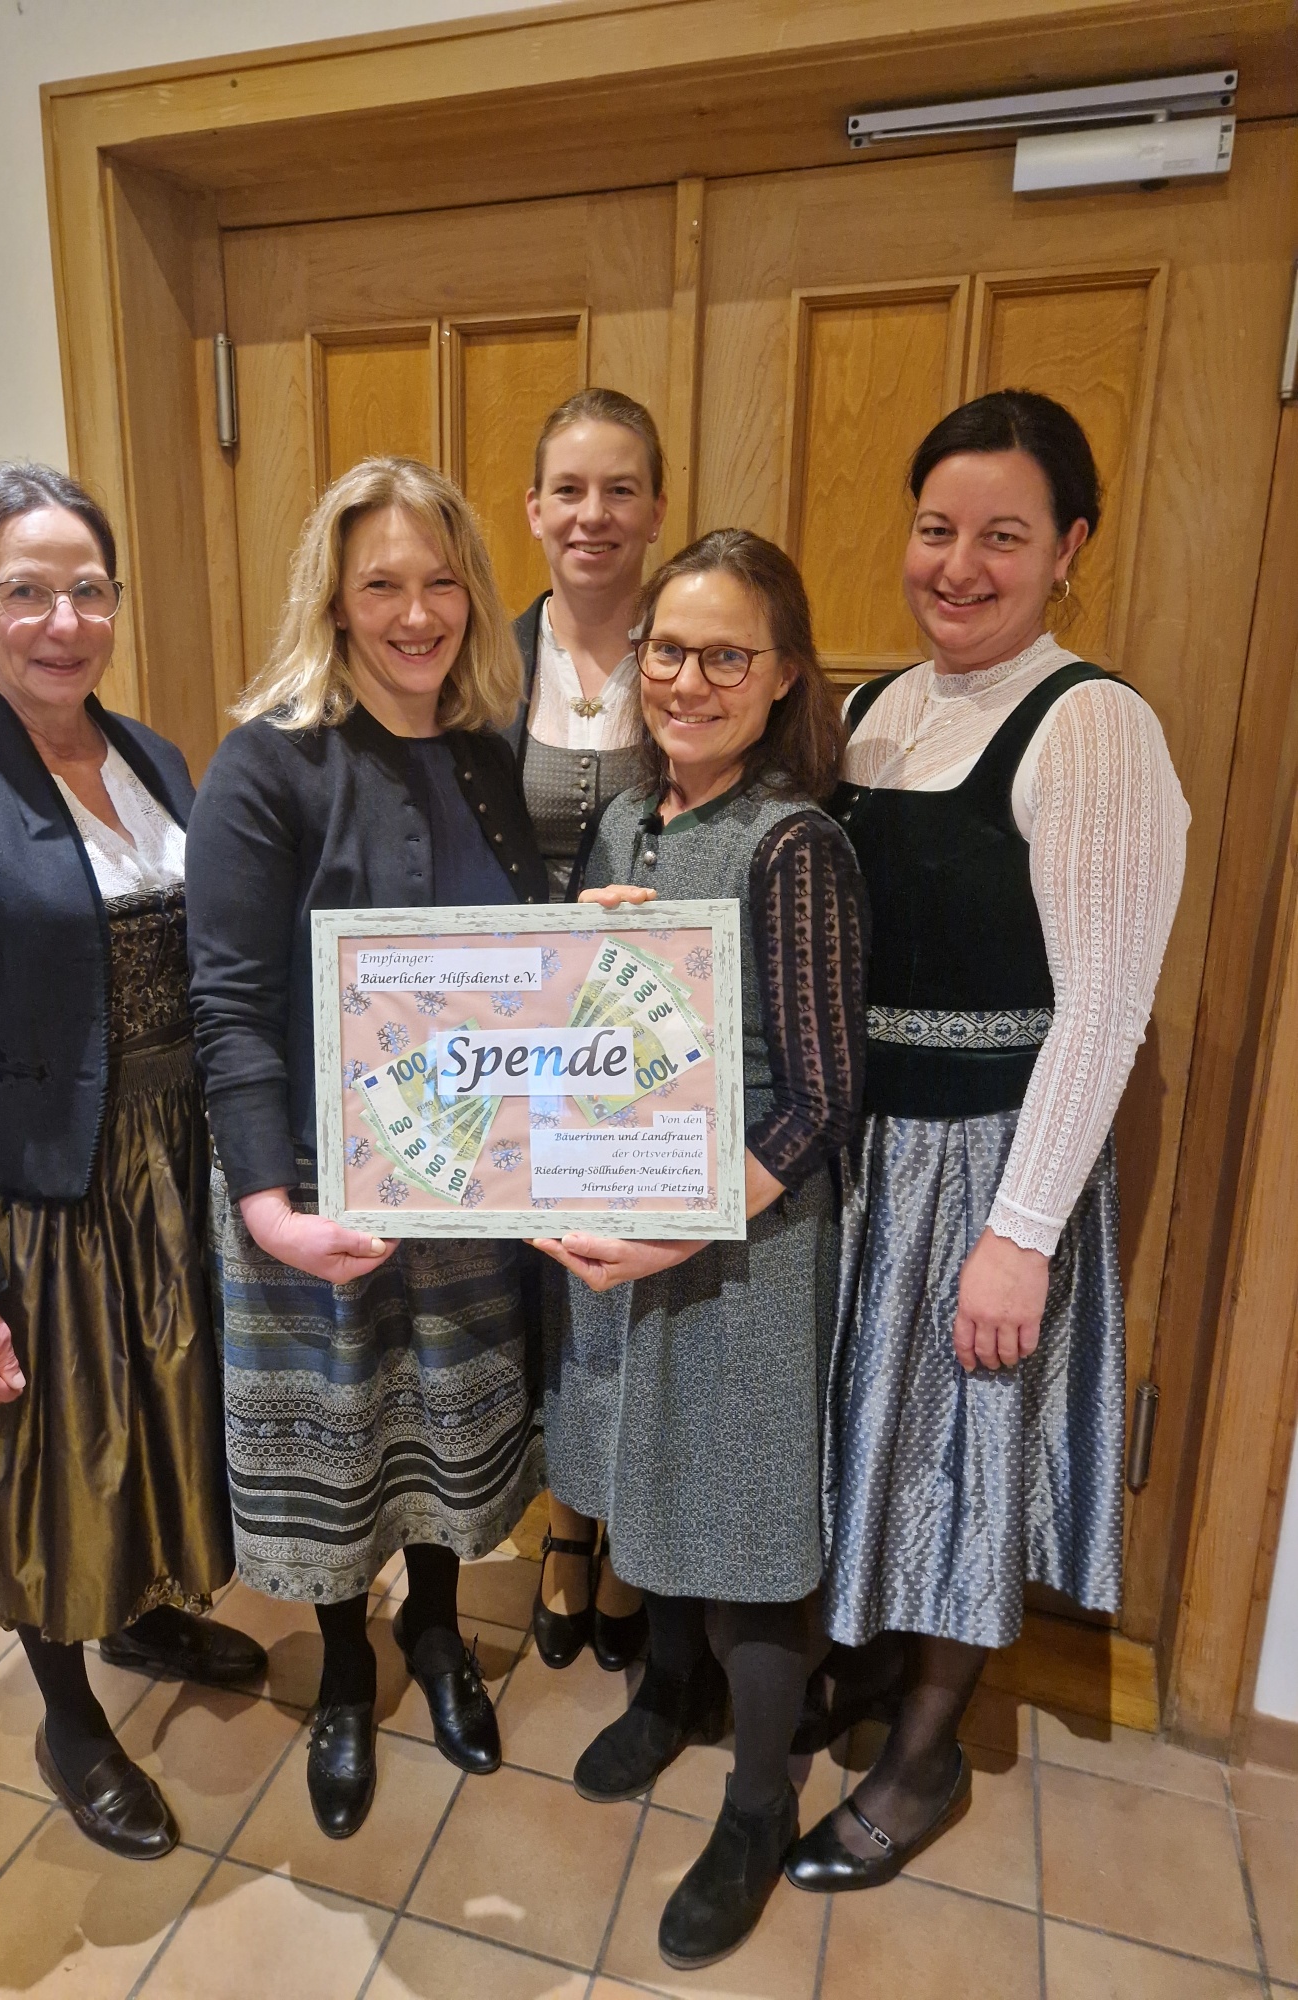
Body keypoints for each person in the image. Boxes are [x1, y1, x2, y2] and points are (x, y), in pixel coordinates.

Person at [785, 390, 1189, 1893]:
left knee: (960, 1451)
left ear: (1069, 548)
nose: (959, 567)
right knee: (873, 1433)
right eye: (936, 529)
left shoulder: (1092, 726)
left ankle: (926, 1750)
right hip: (866, 1149)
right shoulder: (879, 710)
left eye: (1003, 537)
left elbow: (1105, 1011)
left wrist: (1020, 1234)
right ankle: (870, 1663)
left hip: (989, 1159)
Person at [0, 462, 265, 1863]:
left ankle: (145, 1616)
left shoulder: (154, 756)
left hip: (172, 1164)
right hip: (38, 1190)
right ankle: (70, 1713)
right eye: (25, 592)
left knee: (159, 1418)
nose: (64, 621)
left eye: (88, 589)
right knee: (47, 1465)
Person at [185, 455, 549, 1842]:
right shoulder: (265, 762)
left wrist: (601, 932)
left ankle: (437, 1635)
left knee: (449, 1433)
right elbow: (228, 1003)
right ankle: (346, 1670)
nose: (415, 613)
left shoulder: (488, 754)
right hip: (314, 1183)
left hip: (468, 1181)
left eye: (440, 581)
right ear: (334, 600)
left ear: (473, 594)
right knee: (339, 1446)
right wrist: (267, 1204)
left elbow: (516, 963)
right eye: (381, 583)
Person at [535, 529, 868, 1968]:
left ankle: (755, 1804)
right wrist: (575, 943)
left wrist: (677, 1230)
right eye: (668, 650)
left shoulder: (793, 844)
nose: (688, 679)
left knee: (745, 1518)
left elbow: (823, 1097)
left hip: (743, 1243)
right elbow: (593, 1026)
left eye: (727, 655)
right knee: (644, 1466)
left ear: (783, 674)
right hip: (631, 1223)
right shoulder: (627, 821)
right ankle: (667, 1694)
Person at [512, 387, 668, 1675]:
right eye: (569, 489)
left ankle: (629, 1535)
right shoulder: (481, 660)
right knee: (548, 1289)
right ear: (533, 509)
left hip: (648, 1038)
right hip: (518, 1033)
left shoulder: (693, 655)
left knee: (636, 1286)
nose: (593, 515)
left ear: (656, 509)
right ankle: (566, 1527)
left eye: (620, 489)